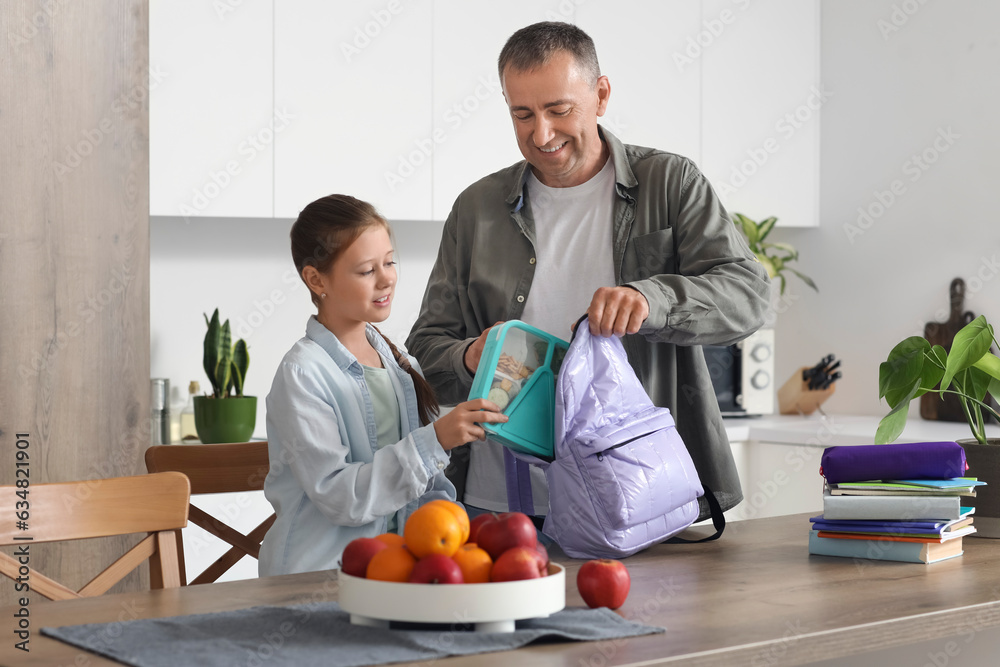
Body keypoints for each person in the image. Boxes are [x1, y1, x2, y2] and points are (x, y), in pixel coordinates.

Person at [406, 22, 770, 526]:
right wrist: (471, 356)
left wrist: (652, 300)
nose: (542, 134)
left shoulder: (669, 183)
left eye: (559, 110)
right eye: (522, 114)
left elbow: (750, 296)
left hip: (636, 494)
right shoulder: (476, 209)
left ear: (600, 96)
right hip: (501, 504)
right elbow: (424, 352)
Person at [258, 194, 507, 576]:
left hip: (393, 577)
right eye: (366, 270)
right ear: (316, 279)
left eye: (390, 262)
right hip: (319, 581)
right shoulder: (303, 375)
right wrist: (435, 441)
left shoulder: (400, 361)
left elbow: (428, 489)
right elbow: (343, 498)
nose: (387, 277)